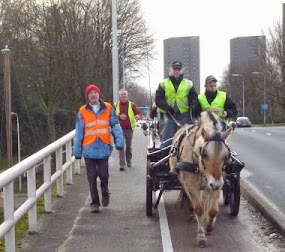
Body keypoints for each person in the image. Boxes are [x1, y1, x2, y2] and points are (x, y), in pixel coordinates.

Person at [74, 84, 123, 213]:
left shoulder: (108, 108)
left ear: (99, 94)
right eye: (91, 93)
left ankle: (105, 192)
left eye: (95, 92)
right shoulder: (82, 111)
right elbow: (79, 132)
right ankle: (95, 202)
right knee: (91, 177)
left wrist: (119, 141)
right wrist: (77, 151)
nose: (93, 95)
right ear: (87, 96)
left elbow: (116, 125)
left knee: (103, 175)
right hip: (88, 148)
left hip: (103, 148)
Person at [155, 60, 198, 148]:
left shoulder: (189, 84)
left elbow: (194, 98)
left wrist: (193, 105)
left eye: (179, 69)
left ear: (182, 70)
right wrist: (166, 107)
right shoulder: (163, 84)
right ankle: (166, 155)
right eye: (175, 69)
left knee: (187, 138)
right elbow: (158, 99)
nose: (177, 71)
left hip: (184, 115)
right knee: (167, 138)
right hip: (168, 115)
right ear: (171, 70)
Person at [115, 89, 141, 171]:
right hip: (119, 129)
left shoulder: (132, 105)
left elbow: (138, 112)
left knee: (128, 146)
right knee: (121, 146)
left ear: (127, 96)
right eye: (122, 95)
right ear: (119, 96)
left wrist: (137, 116)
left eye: (125, 95)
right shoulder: (115, 105)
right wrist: (119, 117)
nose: (123, 96)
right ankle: (122, 164)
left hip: (129, 129)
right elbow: (111, 116)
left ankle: (128, 160)